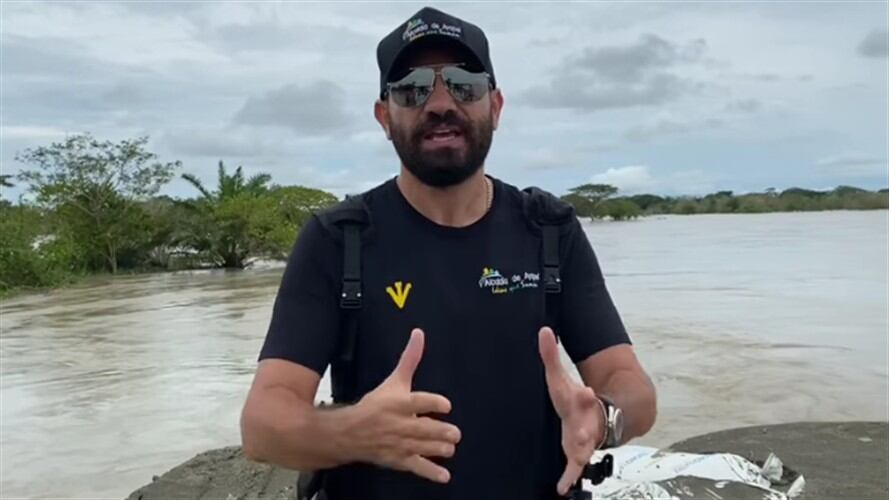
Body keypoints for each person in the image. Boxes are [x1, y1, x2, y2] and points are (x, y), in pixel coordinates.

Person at [240, 6, 657, 500]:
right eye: (412, 88)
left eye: (463, 83)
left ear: (496, 106)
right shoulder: (338, 241)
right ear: (384, 116)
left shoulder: (549, 231)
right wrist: (356, 432)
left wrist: (604, 418)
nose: (440, 103)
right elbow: (263, 424)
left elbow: (631, 386)